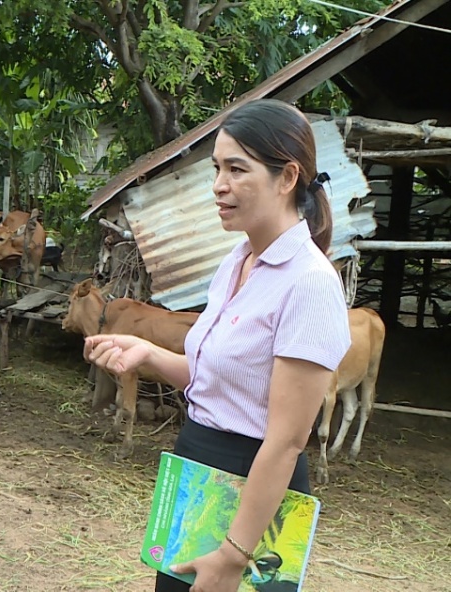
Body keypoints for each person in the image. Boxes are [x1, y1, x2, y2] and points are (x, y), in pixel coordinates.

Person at [84, 99, 351, 592]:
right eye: (216, 168)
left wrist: (235, 553)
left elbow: (287, 440)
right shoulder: (237, 260)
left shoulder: (309, 283)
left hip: (250, 494)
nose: (218, 185)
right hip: (199, 474)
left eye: (236, 169)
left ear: (287, 177)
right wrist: (149, 354)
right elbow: (224, 383)